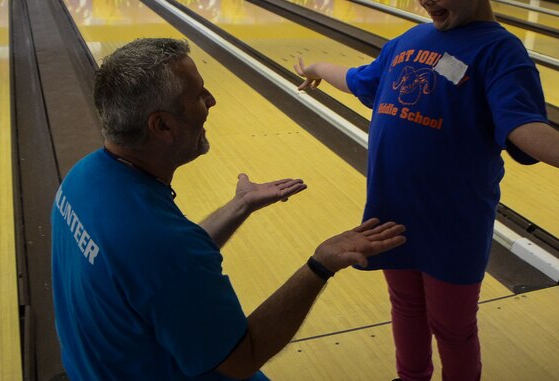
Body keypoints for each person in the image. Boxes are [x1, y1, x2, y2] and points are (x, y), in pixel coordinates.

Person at [293, 0, 559, 381]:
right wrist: (317, 70)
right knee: (404, 307)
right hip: (390, 212)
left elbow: (521, 123)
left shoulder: (500, 52)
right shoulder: (407, 41)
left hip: (453, 223)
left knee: (453, 327)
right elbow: (361, 79)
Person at [50, 38, 406, 381]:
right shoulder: (159, 245)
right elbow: (242, 358)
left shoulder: (83, 177)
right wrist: (320, 264)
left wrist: (239, 207)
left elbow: (158, 274)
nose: (211, 100)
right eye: (197, 96)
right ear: (162, 125)